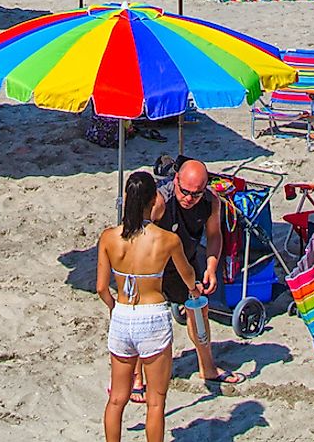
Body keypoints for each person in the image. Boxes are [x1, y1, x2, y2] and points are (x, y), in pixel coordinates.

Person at [97, 171, 202, 442]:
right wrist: (193, 289)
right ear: (153, 199)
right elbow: (187, 274)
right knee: (156, 402)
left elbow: (100, 287)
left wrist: (113, 307)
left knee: (117, 399)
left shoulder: (108, 237)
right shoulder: (167, 239)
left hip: (122, 314)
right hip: (152, 315)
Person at [149, 159, 245, 389]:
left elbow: (214, 236)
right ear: (176, 180)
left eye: (196, 194)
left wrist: (211, 268)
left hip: (187, 263)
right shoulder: (160, 201)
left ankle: (208, 368)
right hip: (154, 266)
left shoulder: (211, 201)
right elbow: (136, 237)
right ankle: (138, 377)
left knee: (199, 308)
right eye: (185, 192)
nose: (189, 199)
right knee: (148, 317)